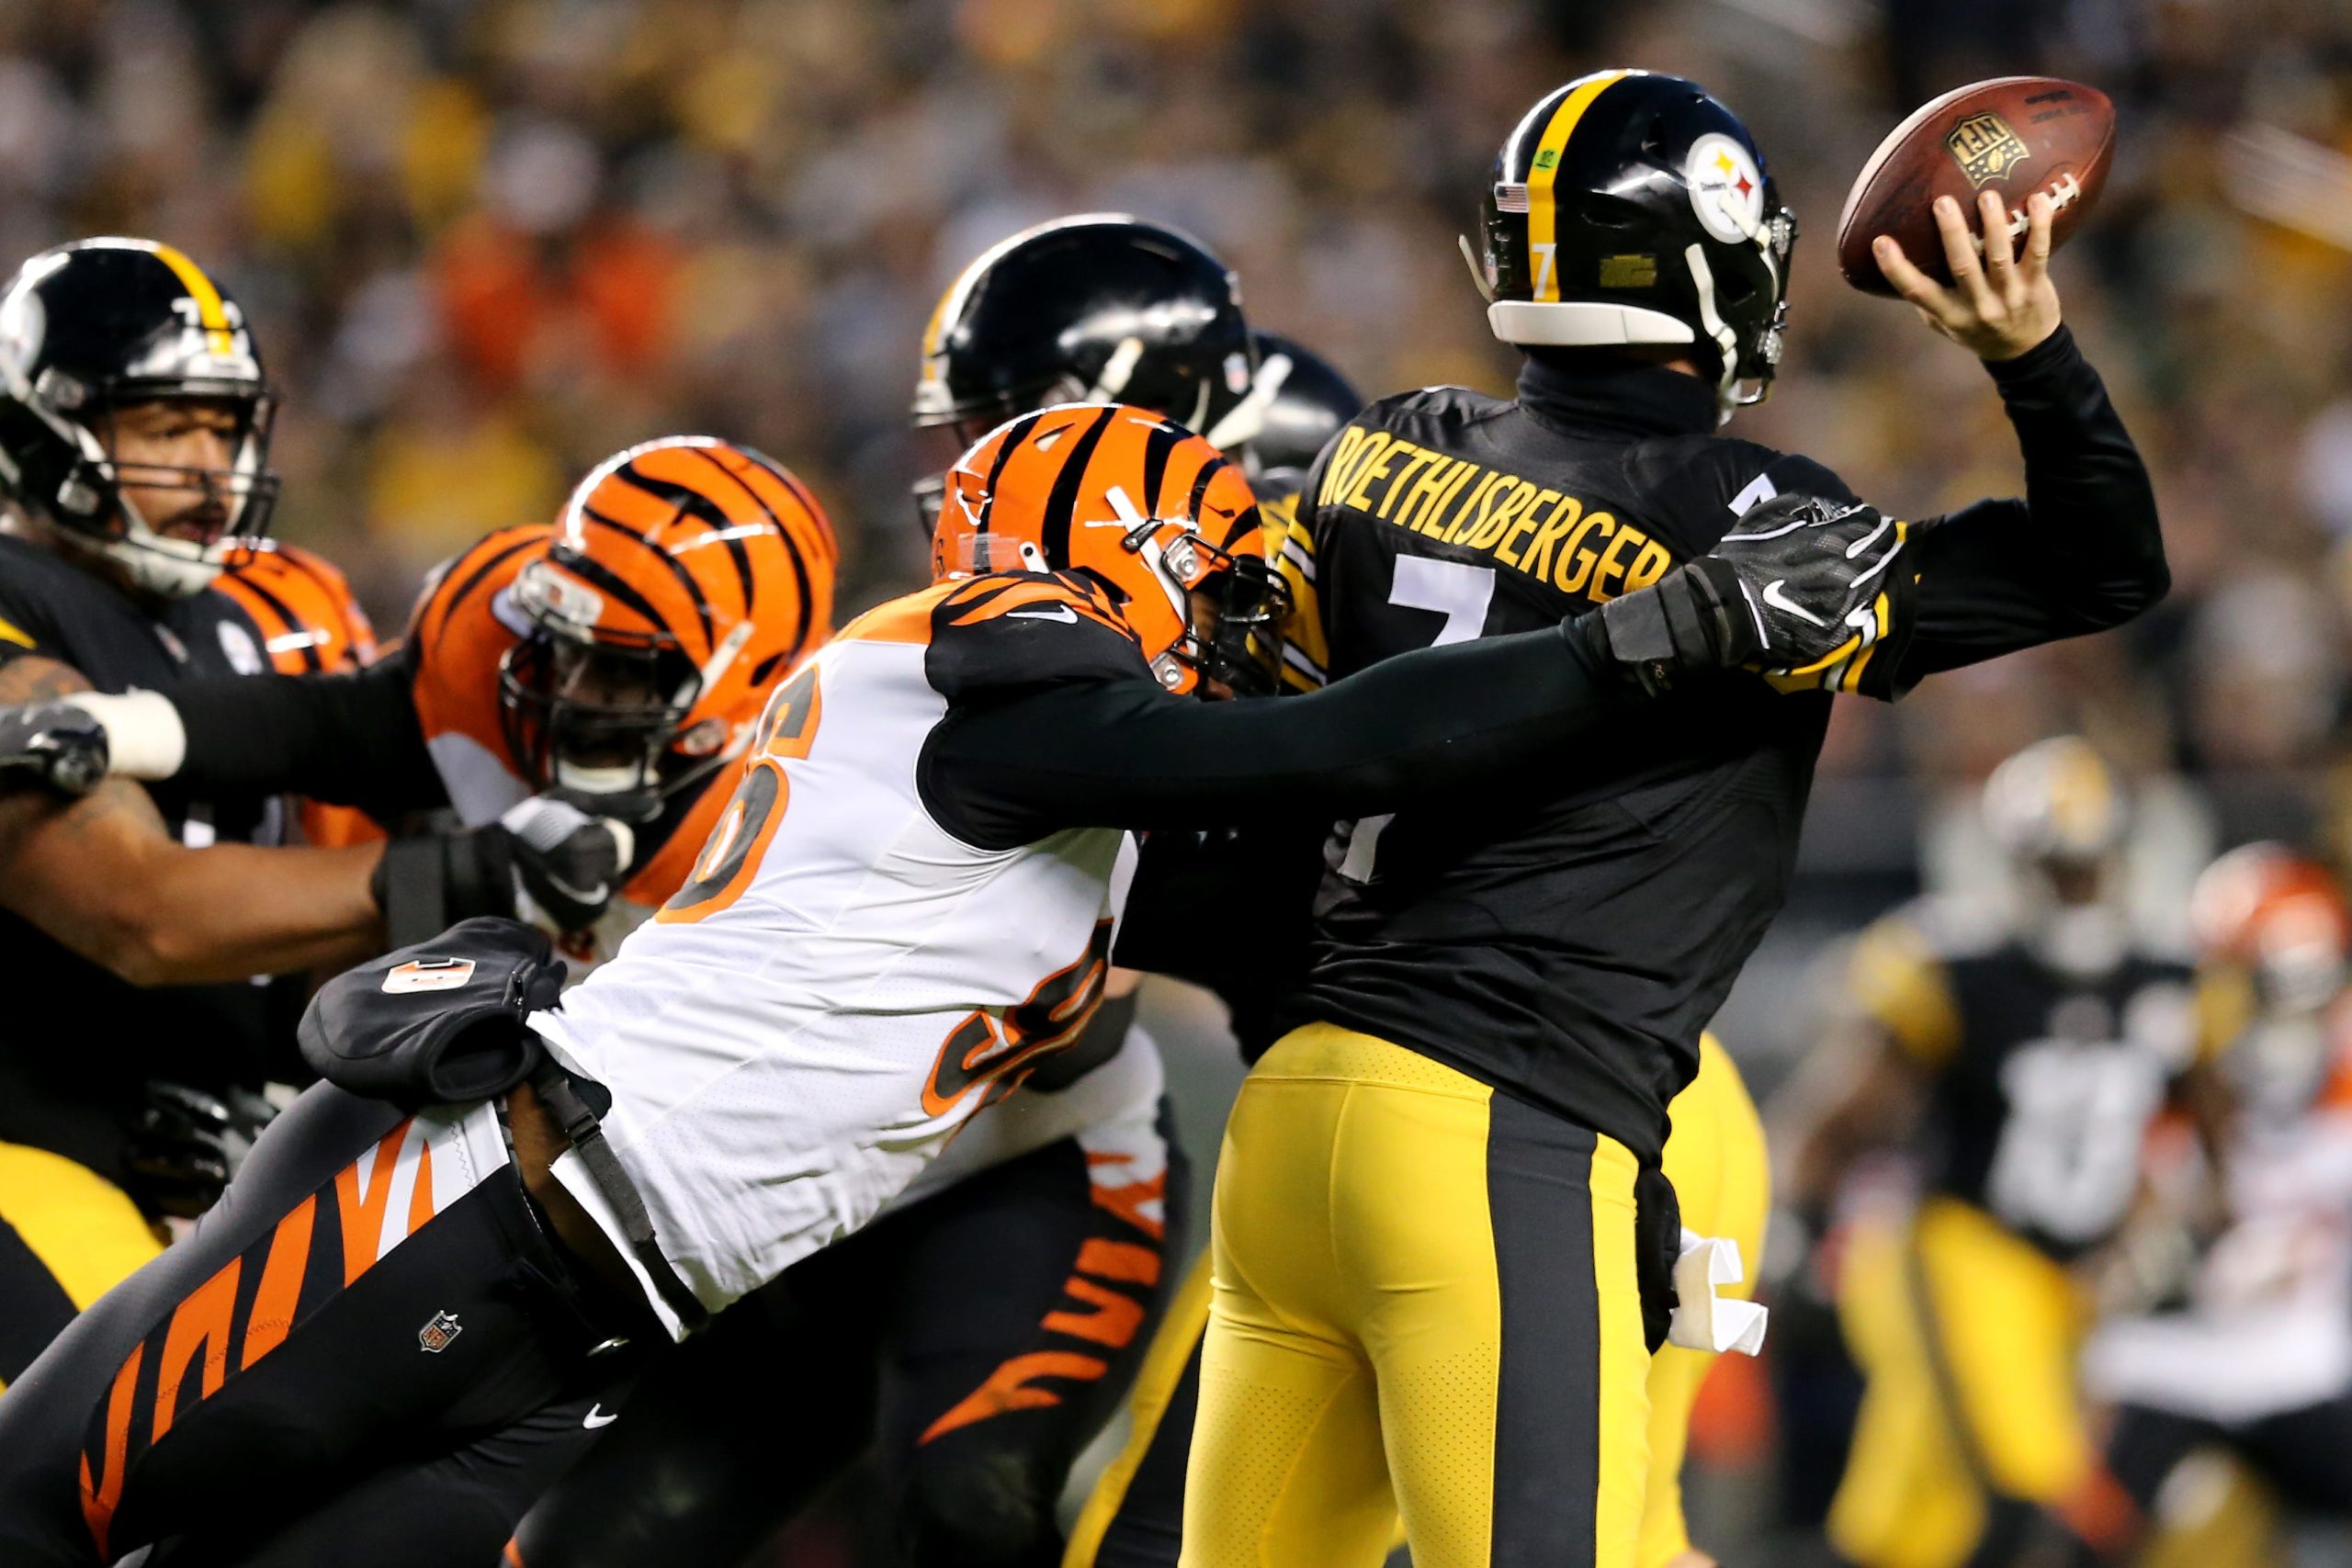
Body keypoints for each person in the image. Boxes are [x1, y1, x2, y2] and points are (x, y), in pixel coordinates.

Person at [0, 397, 1902, 1567]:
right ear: (1125, 564)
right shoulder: (994, 707)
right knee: (37, 1504)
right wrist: (1660, 636)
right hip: (472, 1202)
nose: (1245, 640)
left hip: (595, 1311)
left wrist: (1603, 1183)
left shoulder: (1074, 780)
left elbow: (1363, 979)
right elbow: (1340, 752)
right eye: (1219, 593)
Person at [1173, 68, 2167, 1568]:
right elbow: (2102, 566)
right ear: (1720, 263)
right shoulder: (1757, 519)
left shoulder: (1381, 444)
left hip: (1297, 1115)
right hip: (1499, 1124)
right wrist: (2028, 351)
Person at [0, 239, 606, 1392]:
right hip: (25, 1156)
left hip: (181, 1184)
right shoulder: (16, 602)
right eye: (165, 430)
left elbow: (341, 775)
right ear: (45, 425)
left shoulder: (224, 623)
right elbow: (142, 913)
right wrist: (482, 883)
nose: (207, 469)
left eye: (222, 432)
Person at [1778, 739, 2202, 1568]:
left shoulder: (2171, 980)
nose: (2076, 885)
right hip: (1956, 1251)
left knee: (1909, 1523)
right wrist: (1797, 1218)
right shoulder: (1954, 968)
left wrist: (2166, 1231)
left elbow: (2189, 1136)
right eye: (2056, 866)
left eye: (2089, 863)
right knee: (2030, 1487)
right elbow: (1839, 1113)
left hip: (2075, 1283)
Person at [2075, 845, 2352, 1562]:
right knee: (2068, 1535)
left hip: (2295, 1366)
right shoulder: (2161, 1073)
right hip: (2162, 1365)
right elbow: (2106, 1236)